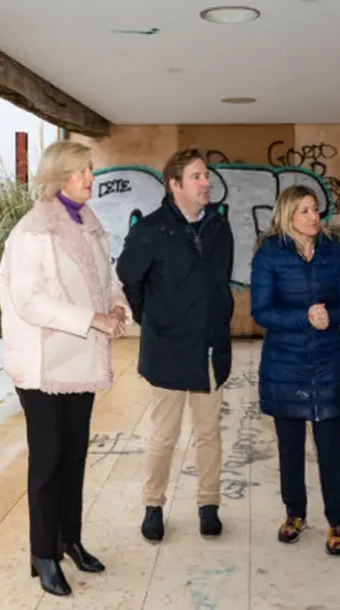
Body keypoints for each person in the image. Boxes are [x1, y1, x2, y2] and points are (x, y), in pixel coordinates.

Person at [0, 140, 130, 597]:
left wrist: (116, 304)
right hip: (42, 364)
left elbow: (108, 278)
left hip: (80, 360)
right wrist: (92, 319)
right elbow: (28, 301)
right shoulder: (32, 232)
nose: (90, 177)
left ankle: (69, 540)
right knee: (48, 460)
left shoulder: (90, 224)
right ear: (58, 178)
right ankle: (43, 554)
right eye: (81, 171)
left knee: (74, 455)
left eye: (90, 169)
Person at [115, 147, 235, 542]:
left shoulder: (219, 227)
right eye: (197, 177)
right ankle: (153, 505)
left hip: (210, 350)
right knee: (164, 435)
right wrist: (153, 318)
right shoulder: (150, 230)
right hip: (167, 350)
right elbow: (129, 279)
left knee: (209, 432)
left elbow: (221, 280)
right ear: (175, 185)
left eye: (206, 176)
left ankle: (208, 504)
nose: (206, 183)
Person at [249, 185, 340, 555]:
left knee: (331, 445)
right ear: (288, 215)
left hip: (328, 360)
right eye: (305, 211)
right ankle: (295, 513)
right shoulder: (269, 253)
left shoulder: (334, 251)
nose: (315, 217)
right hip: (285, 363)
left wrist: (330, 317)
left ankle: (338, 521)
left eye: (315, 209)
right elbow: (261, 312)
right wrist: (304, 317)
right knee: (290, 445)